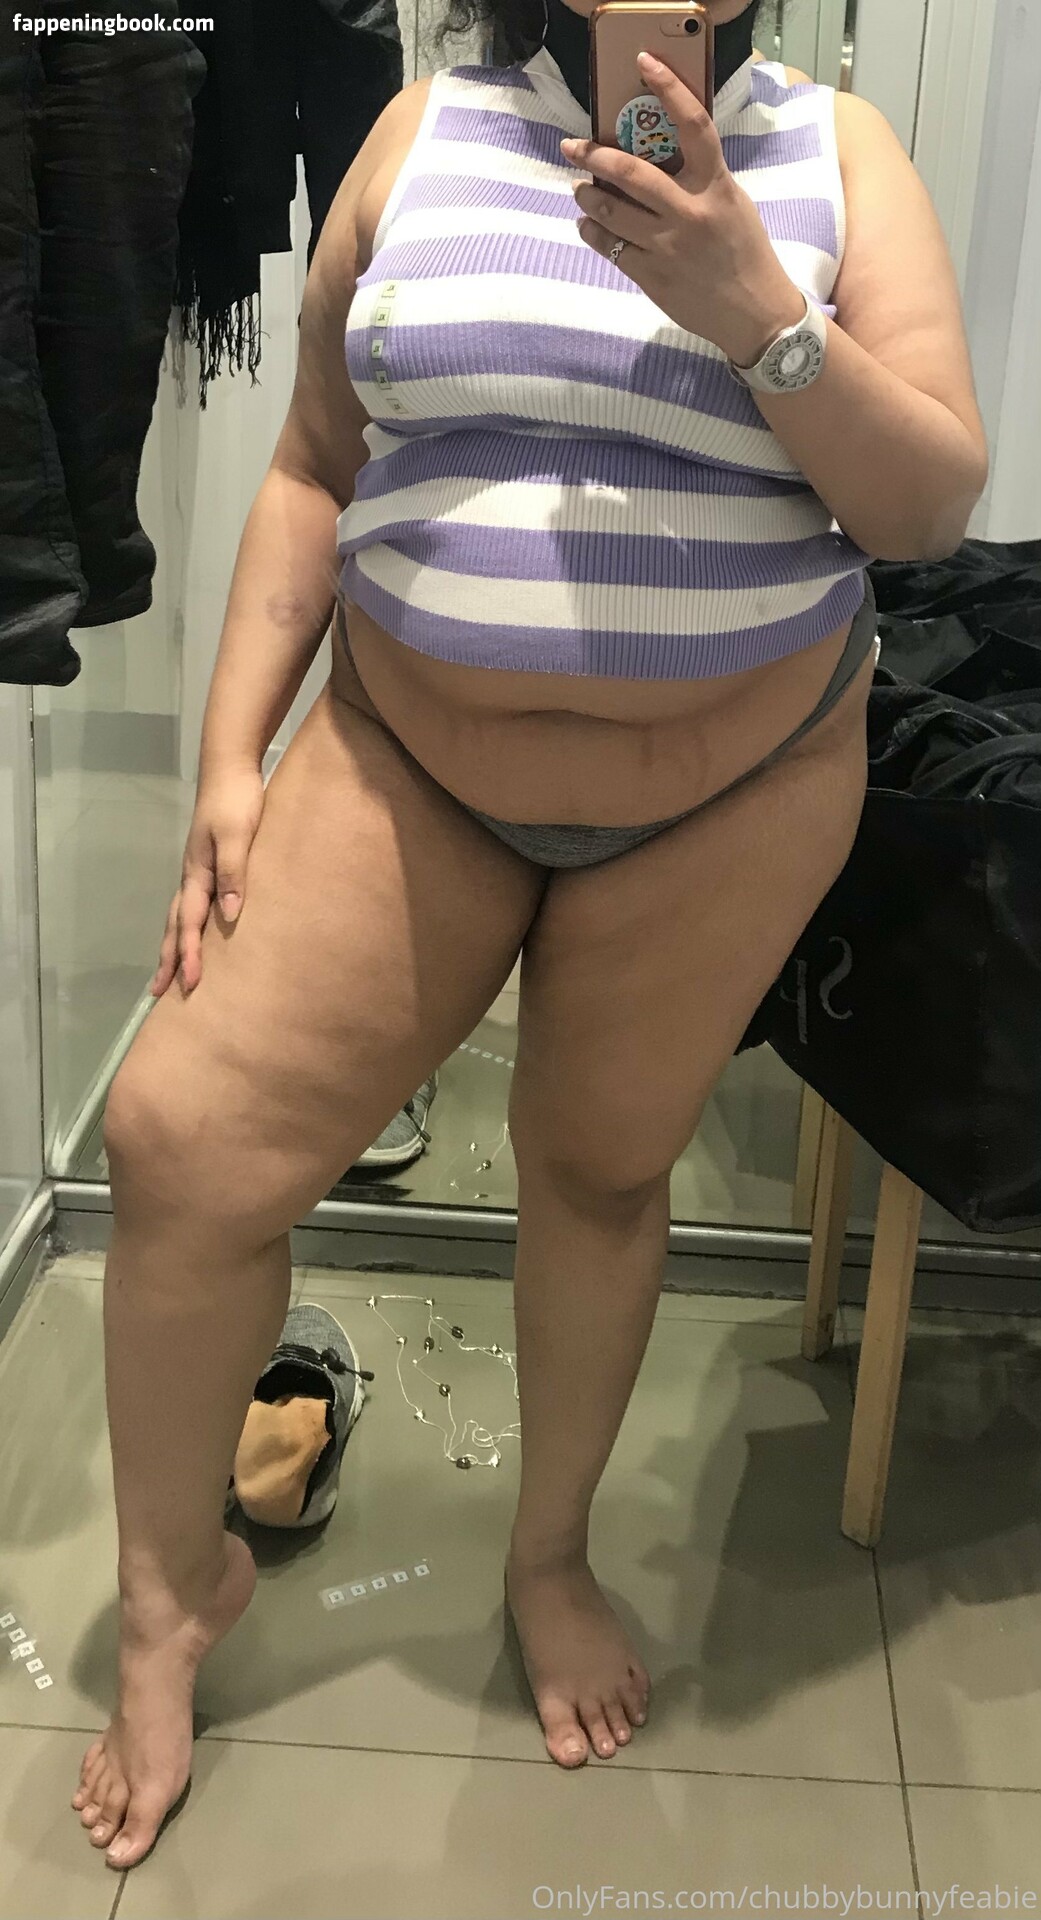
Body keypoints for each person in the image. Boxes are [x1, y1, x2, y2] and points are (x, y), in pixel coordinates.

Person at [72, 0, 989, 1868]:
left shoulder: (839, 155)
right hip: (404, 756)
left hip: (731, 783)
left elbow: (922, 508)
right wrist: (232, 755)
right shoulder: (420, 132)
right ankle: (168, 1600)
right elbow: (315, 464)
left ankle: (548, 1557)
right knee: (180, 1143)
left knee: (594, 1168)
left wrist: (757, 309)